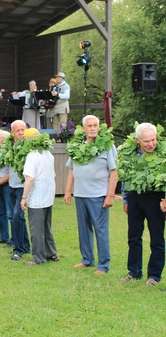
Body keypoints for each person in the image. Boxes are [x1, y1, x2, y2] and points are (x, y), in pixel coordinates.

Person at [64, 115, 117, 275]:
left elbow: (114, 172)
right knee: (84, 229)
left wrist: (110, 195)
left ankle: (103, 264)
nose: (93, 128)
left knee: (100, 229)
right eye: (90, 126)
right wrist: (68, 190)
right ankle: (87, 259)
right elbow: (72, 169)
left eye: (96, 125)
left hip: (98, 195)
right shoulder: (76, 145)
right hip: (80, 194)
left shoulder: (108, 146)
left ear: (99, 127)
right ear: (84, 128)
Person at [119, 123, 165, 285]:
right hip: (134, 197)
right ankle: (134, 271)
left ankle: (154, 276)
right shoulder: (129, 154)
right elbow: (124, 179)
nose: (151, 144)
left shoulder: (163, 154)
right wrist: (125, 200)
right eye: (146, 141)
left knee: (157, 238)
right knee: (134, 236)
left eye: (153, 140)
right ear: (138, 140)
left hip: (156, 199)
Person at [20, 128, 58, 265]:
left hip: (37, 197)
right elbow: (53, 174)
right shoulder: (48, 153)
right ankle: (51, 253)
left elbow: (30, 179)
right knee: (47, 226)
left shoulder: (32, 155)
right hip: (48, 195)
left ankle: (38, 258)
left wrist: (24, 197)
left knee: (36, 229)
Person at [3, 120, 31, 261]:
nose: (21, 132)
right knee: (17, 218)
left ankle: (18, 249)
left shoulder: (28, 146)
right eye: (18, 130)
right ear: (12, 133)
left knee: (17, 216)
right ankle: (25, 246)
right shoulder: (9, 146)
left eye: (23, 129)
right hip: (12, 185)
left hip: (23, 186)